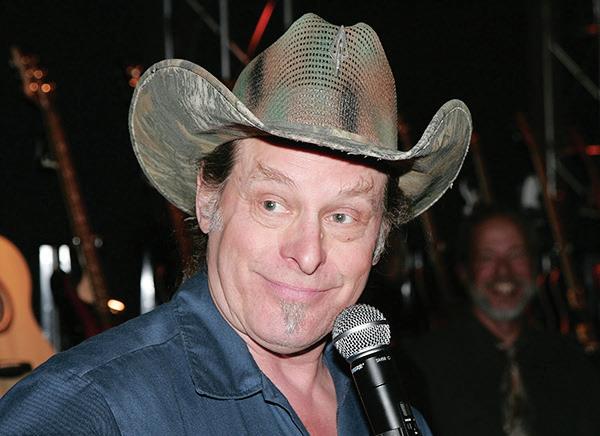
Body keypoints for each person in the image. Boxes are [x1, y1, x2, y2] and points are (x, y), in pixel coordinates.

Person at [0, 13, 471, 434]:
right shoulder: (87, 410)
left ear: (380, 238)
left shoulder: (393, 419)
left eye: (342, 216)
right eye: (273, 204)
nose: (308, 254)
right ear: (209, 200)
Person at [402, 206, 600, 436]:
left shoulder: (572, 361)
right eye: (487, 257)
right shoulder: (422, 367)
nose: (503, 272)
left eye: (516, 255)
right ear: (464, 271)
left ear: (535, 266)